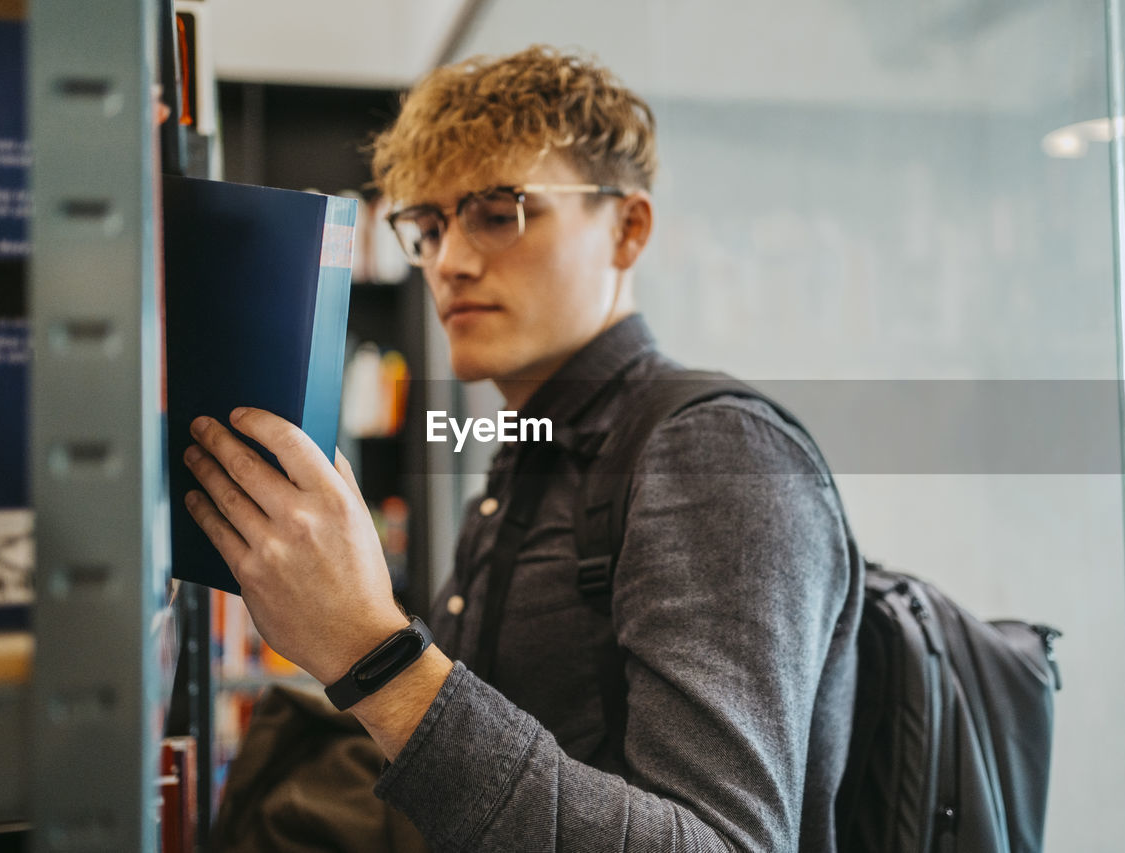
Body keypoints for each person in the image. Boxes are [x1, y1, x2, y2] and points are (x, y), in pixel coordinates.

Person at [183, 45, 862, 851]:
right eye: (428, 226)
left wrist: (373, 652)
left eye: (499, 212)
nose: (450, 262)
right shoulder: (532, 448)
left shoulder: (714, 451)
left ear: (628, 227)